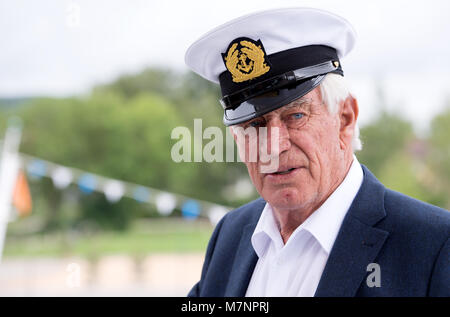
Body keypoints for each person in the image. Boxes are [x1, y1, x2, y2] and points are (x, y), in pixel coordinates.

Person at [184, 8, 449, 297]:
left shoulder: (434, 245)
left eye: (295, 116)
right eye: (254, 125)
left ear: (345, 118)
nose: (273, 146)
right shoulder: (230, 236)